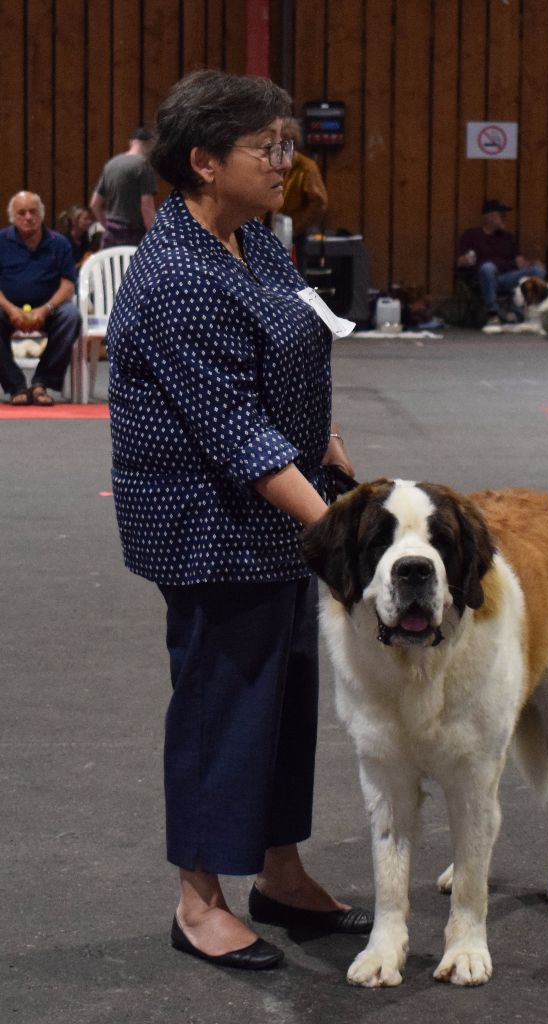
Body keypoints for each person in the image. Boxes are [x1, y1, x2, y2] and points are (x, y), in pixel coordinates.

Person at [106, 69, 372, 972]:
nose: (286, 162)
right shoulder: (176, 274)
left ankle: (280, 871)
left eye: (288, 144)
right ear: (205, 163)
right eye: (271, 149)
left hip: (278, 509)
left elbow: (294, 346)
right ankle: (198, 899)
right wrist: (344, 530)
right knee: (223, 707)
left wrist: (329, 442)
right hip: (206, 523)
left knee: (287, 700)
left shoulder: (256, 241)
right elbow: (234, 428)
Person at [0, 191, 81, 405]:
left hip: (49, 308)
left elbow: (68, 285)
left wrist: (45, 309)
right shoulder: (1, 241)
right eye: (22, 213)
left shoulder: (59, 243)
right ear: (13, 217)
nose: (28, 217)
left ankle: (41, 383)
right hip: (8, 308)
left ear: (42, 215)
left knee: (71, 316)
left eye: (33, 212)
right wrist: (11, 310)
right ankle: (15, 385)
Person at [456, 199, 546, 334]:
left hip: (506, 277)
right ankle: (493, 314)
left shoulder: (508, 238)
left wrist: (532, 264)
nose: (504, 219)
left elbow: (520, 262)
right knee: (488, 267)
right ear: (489, 217)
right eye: (501, 215)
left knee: (538, 271)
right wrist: (465, 260)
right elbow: (460, 261)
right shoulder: (472, 235)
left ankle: (529, 312)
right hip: (483, 278)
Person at [90, 128, 157, 248]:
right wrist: (154, 237)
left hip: (110, 236)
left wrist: (107, 226)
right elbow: (146, 206)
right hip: (134, 236)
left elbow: (94, 203)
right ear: (148, 144)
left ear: (131, 142)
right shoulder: (142, 166)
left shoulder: (111, 164)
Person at [279, 117, 328, 272]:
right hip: (271, 229)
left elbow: (319, 202)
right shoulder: (274, 164)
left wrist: (297, 226)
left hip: (295, 235)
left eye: (286, 143)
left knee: (295, 275)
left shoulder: (306, 167)